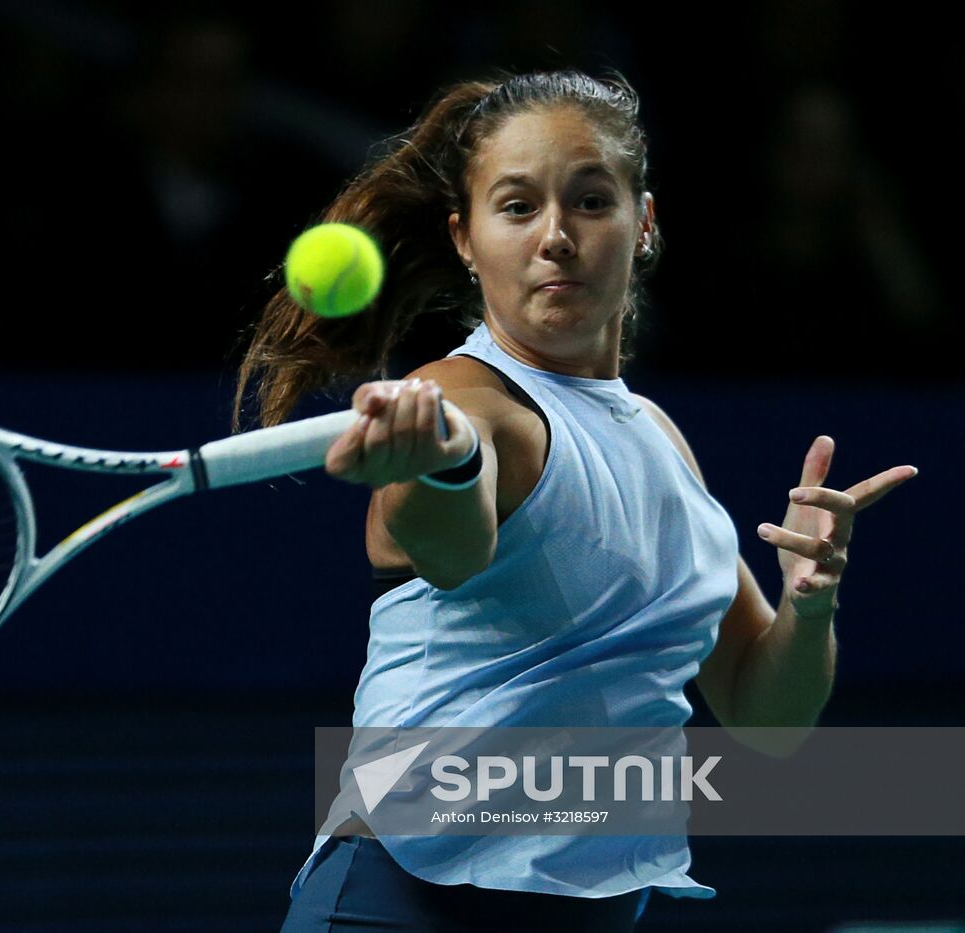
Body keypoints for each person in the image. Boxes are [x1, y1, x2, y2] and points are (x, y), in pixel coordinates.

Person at [232, 70, 918, 932]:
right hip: (400, 901)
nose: (556, 236)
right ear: (465, 238)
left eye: (591, 201)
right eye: (517, 207)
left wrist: (810, 606)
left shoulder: (659, 440)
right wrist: (444, 467)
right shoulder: (464, 398)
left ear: (644, 222)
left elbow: (766, 715)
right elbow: (449, 548)